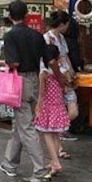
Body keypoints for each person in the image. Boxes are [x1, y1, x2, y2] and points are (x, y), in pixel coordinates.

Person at [0, 1, 57, 182]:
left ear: (9, 16)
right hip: (35, 81)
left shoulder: (10, 35)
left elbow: (13, 63)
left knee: (26, 126)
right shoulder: (37, 35)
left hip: (19, 82)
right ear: (27, 15)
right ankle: (10, 162)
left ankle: (40, 171)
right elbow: (50, 59)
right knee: (22, 124)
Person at [44, 10, 79, 151]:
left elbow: (65, 56)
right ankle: (58, 144)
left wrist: (71, 71)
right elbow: (50, 61)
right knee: (59, 109)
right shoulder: (47, 38)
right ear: (63, 24)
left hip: (66, 75)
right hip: (55, 77)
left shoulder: (62, 38)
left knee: (73, 110)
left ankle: (57, 132)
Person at [35, 44, 71, 175]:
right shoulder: (63, 73)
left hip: (48, 107)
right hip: (59, 106)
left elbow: (41, 93)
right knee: (56, 135)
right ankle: (54, 161)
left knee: (48, 135)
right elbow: (66, 90)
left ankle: (55, 162)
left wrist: (38, 107)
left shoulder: (43, 73)